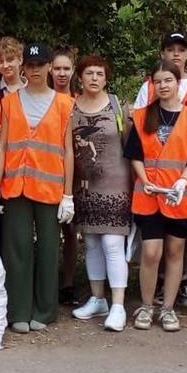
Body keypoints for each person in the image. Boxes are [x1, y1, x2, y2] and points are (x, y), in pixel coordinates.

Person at [0, 42, 74, 332]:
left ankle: (45, 309)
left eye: (41, 65)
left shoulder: (64, 104)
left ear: (49, 67)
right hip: (16, 186)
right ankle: (18, 310)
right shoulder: (10, 101)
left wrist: (68, 195)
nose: (36, 70)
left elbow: (68, 151)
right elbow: (2, 146)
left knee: (49, 248)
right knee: (17, 248)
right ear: (25, 67)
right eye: (32, 65)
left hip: (50, 188)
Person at [125, 61, 187, 332]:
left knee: (175, 252)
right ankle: (147, 306)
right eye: (158, 82)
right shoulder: (141, 116)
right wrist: (145, 179)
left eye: (168, 81)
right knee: (151, 253)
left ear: (177, 83)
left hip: (179, 196)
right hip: (149, 196)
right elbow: (135, 154)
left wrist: (184, 180)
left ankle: (168, 309)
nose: (163, 86)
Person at [68, 55, 132, 331]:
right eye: (89, 73)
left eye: (100, 74)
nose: (94, 78)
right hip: (83, 187)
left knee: (112, 244)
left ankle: (118, 305)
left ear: (107, 78)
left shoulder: (118, 106)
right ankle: (98, 299)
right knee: (92, 242)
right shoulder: (70, 107)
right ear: (79, 77)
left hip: (116, 185)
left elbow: (132, 147)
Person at [51, 46, 80, 304]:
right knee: (47, 231)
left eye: (66, 69)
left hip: (75, 174)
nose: (62, 73)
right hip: (48, 173)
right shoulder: (41, 97)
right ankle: (46, 280)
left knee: (71, 230)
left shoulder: (78, 101)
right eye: (57, 68)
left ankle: (68, 283)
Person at [132, 32, 187, 111]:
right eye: (170, 50)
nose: (176, 54)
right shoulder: (149, 87)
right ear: (162, 54)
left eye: (181, 50)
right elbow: (138, 119)